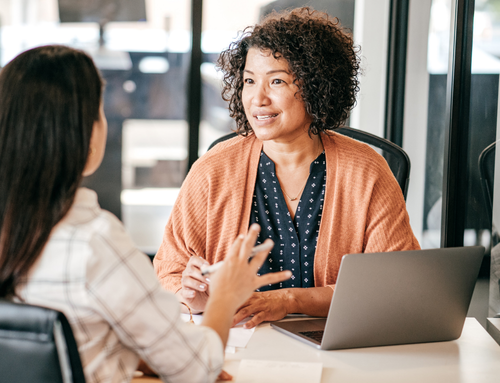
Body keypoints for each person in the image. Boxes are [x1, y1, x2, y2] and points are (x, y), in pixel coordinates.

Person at [0, 45, 290, 383]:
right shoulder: (94, 242)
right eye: (99, 112)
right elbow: (196, 372)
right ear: (82, 135)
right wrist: (225, 296)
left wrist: (138, 353)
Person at [154, 7, 420, 329]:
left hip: (336, 342)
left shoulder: (366, 170)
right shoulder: (213, 169)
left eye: (276, 80)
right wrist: (192, 295)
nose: (257, 98)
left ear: (315, 85)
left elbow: (392, 284)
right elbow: (170, 271)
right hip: (235, 339)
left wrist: (290, 301)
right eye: (249, 81)